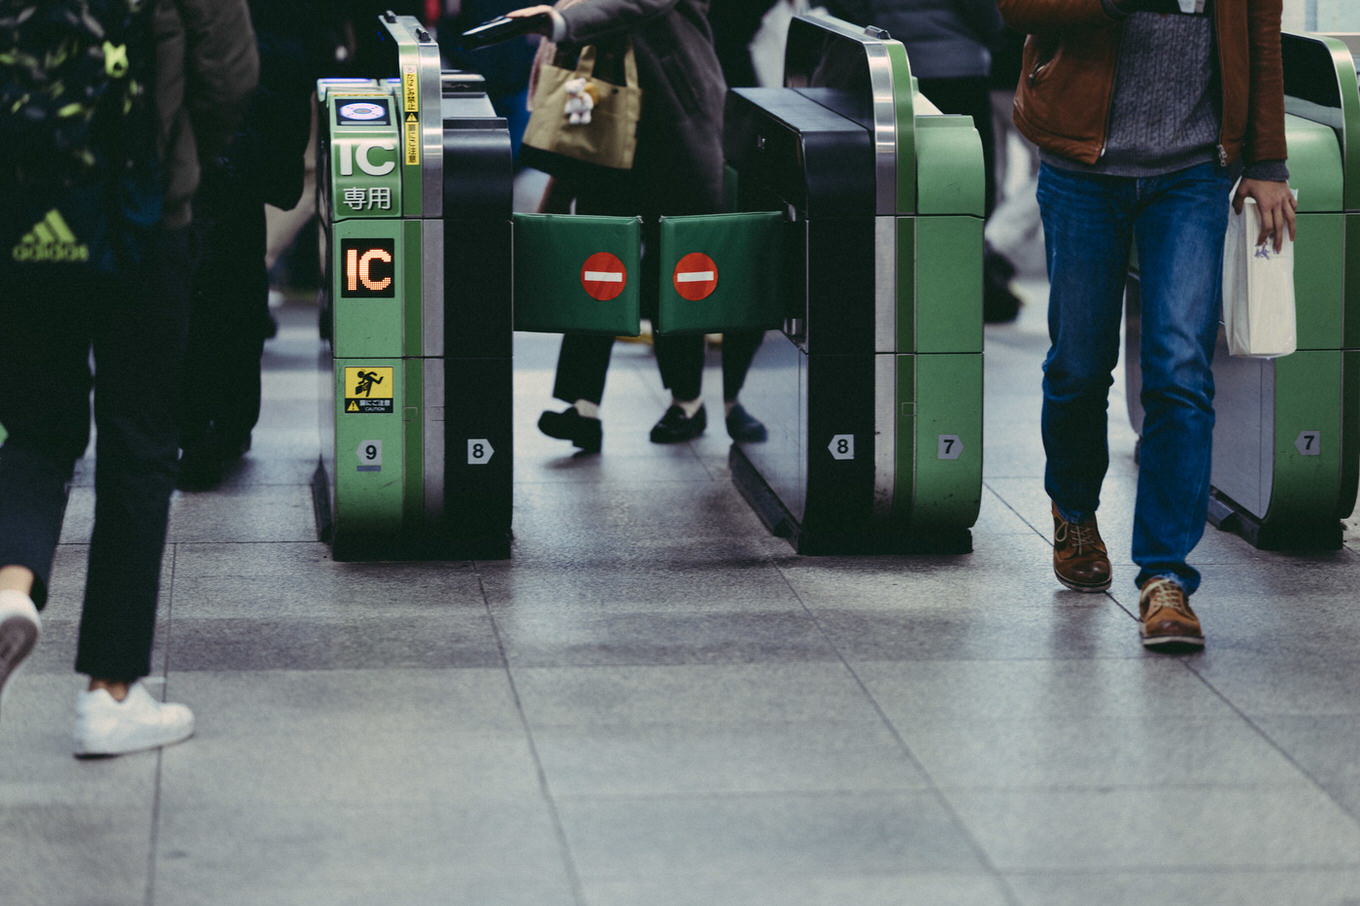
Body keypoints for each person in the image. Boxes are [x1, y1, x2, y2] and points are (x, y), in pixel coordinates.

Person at [0, 0, 258, 755]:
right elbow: (229, 74)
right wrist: (178, 161)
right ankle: (110, 694)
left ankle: (11, 589)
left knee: (38, 428)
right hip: (142, 212)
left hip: (23, 208)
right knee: (140, 443)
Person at [997, 0, 1296, 648]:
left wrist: (1267, 164)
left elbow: (1260, 35)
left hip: (1192, 170)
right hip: (1083, 164)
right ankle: (1074, 508)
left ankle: (1166, 577)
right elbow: (1015, 6)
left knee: (1180, 368)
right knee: (1079, 363)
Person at [507, 0, 768, 453]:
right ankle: (583, 407)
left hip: (674, 134)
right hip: (603, 129)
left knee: (678, 269)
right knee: (600, 266)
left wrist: (561, 21)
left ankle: (687, 401)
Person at [178, 0, 326, 490]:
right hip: (248, 101)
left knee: (211, 271)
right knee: (233, 263)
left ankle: (205, 424)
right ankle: (226, 420)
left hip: (217, 109)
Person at [825, 0, 1024, 322]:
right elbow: (987, 14)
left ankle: (901, 288)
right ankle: (958, 291)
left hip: (895, 71)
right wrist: (991, 35)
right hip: (959, 69)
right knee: (965, 185)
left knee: (902, 181)